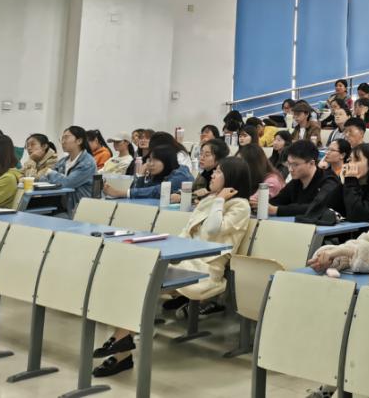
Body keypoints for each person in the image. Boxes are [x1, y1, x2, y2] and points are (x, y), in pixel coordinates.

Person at [93, 156, 254, 377]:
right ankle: (122, 348)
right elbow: (186, 232)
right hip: (185, 259)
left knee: (141, 283)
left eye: (218, 172)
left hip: (205, 268)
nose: (213, 175)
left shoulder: (240, 206)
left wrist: (219, 201)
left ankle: (121, 345)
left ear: (231, 178)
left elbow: (211, 231)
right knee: (130, 279)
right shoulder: (209, 200)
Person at [263, 140, 340, 217]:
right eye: (289, 164)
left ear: (311, 163)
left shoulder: (329, 181)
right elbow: (276, 201)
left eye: (295, 165)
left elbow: (317, 207)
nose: (290, 169)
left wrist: (277, 210)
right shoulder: (296, 182)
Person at [116, 145, 193, 199]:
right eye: (150, 160)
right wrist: (141, 175)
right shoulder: (160, 174)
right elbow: (141, 192)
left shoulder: (181, 175)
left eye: (155, 160)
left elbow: (158, 191)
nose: (151, 164)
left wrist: (121, 193)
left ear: (167, 161)